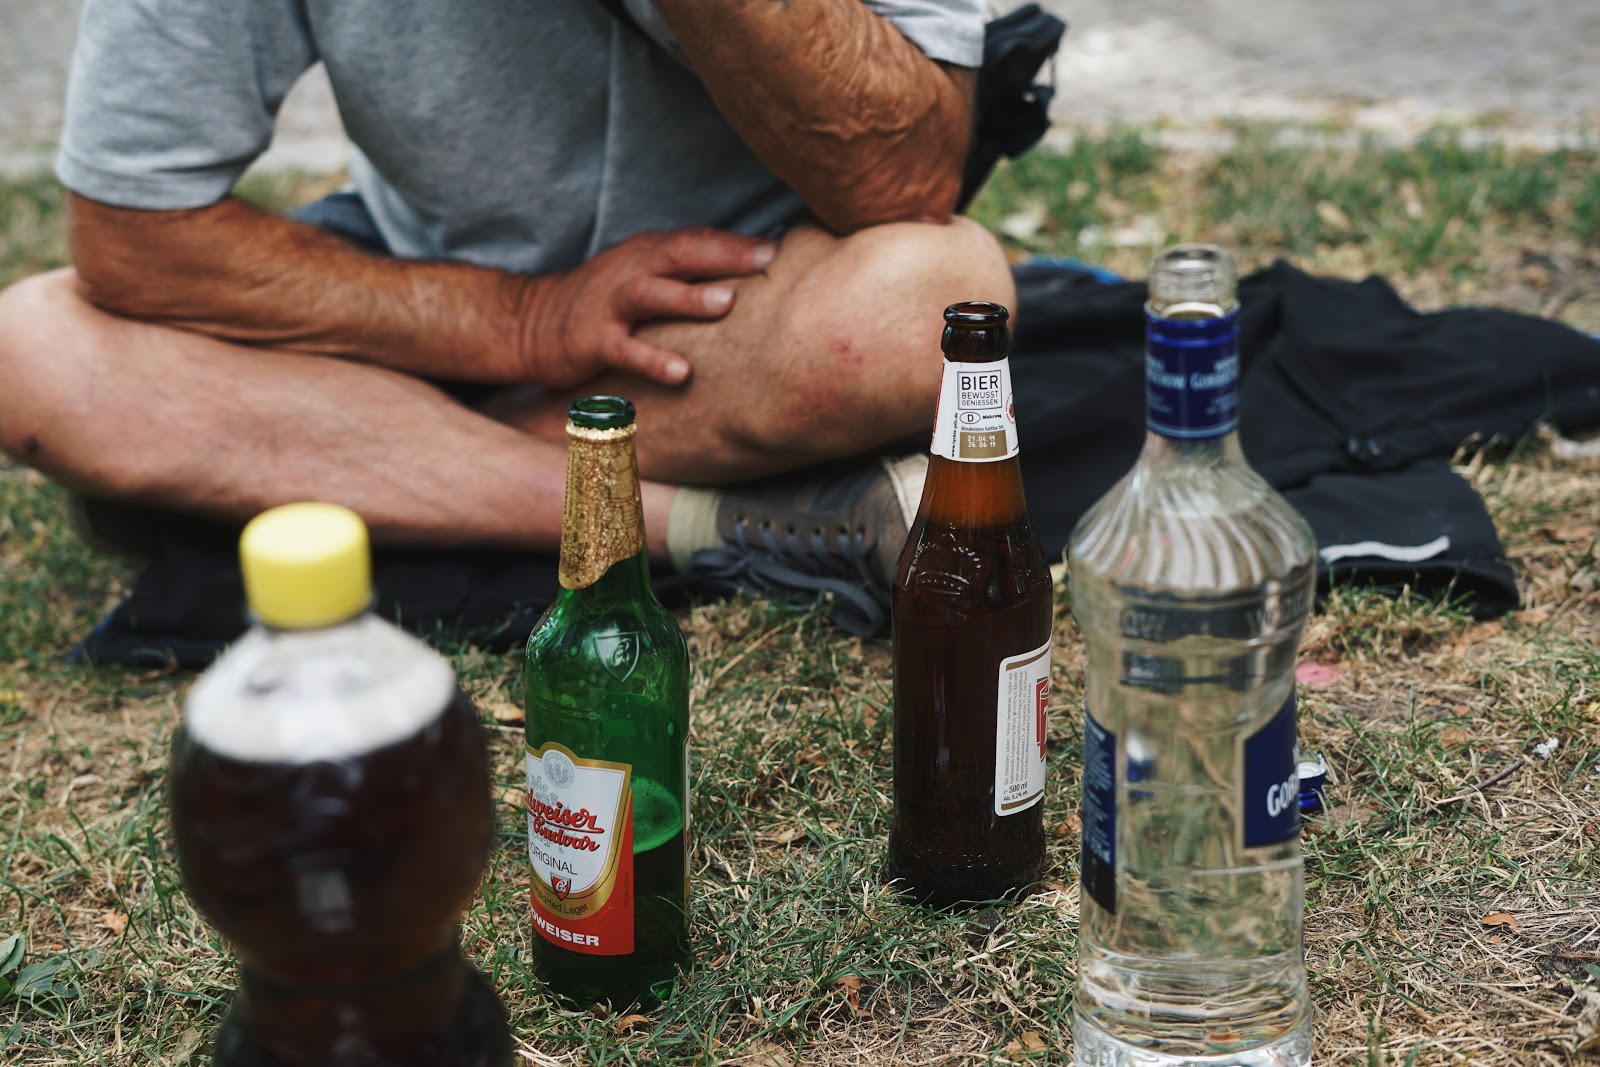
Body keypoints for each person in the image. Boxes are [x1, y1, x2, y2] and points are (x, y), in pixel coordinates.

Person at [0, 0, 1014, 632]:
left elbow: (905, 171)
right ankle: (713, 523)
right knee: (30, 353)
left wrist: (303, 431)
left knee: (931, 304)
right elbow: (135, 226)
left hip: (740, 318)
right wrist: (520, 321)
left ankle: (329, 463)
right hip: (432, 298)